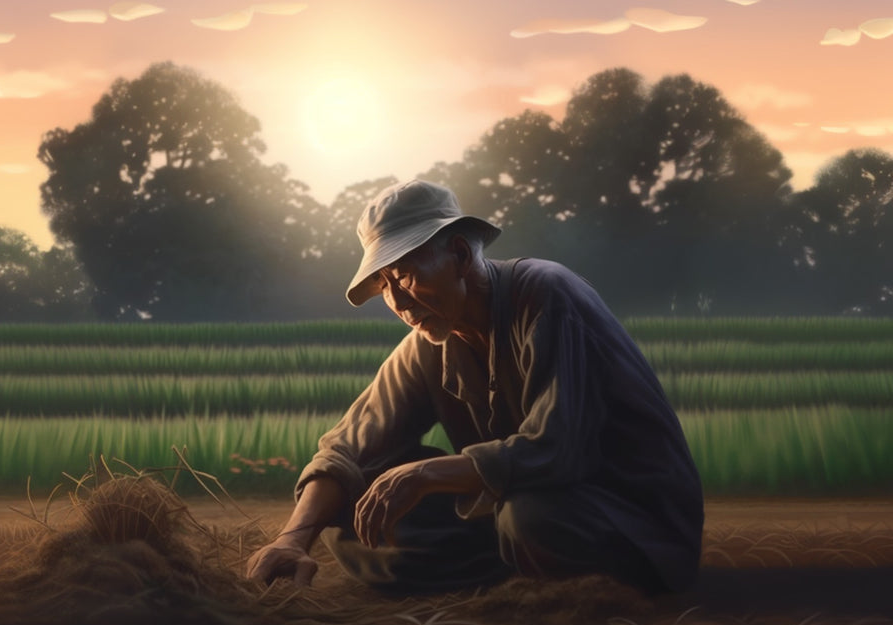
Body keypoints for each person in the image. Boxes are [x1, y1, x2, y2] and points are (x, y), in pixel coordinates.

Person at [246, 179, 704, 594]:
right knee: (356, 505)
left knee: (529, 520)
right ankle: (510, 565)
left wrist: (426, 474)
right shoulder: (430, 340)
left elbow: (559, 450)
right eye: (384, 285)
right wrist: (293, 538)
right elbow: (348, 449)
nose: (398, 301)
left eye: (405, 274)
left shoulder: (548, 295)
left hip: (629, 515)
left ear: (461, 256)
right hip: (514, 507)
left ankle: (536, 565)